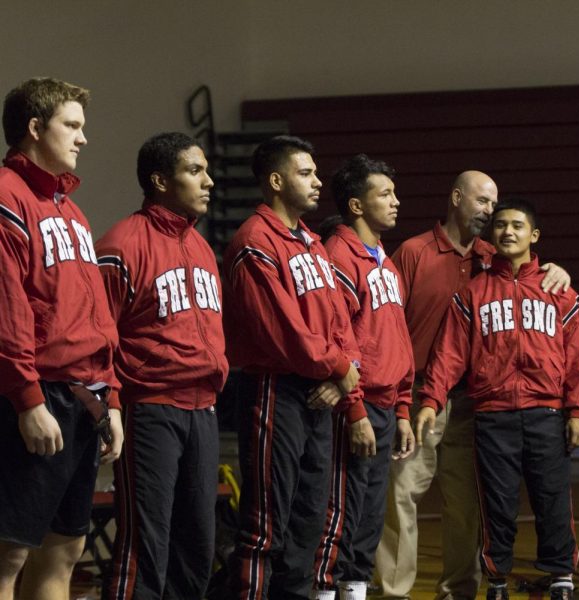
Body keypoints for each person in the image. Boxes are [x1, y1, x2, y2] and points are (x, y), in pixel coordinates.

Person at [375, 172, 570, 600]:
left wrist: (557, 269)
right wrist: (399, 396)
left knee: (466, 505)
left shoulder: (491, 254)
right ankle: (393, 591)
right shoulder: (413, 252)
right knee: (401, 496)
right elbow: (387, 324)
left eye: (495, 204)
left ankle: (458, 591)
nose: (490, 211)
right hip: (418, 393)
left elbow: (528, 276)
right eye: (483, 202)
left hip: (471, 400)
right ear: (457, 198)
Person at [416, 198, 579, 600]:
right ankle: (497, 578)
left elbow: (578, 358)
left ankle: (561, 574)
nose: (507, 232)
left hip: (546, 412)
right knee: (496, 503)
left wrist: (578, 410)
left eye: (516, 225)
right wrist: (430, 399)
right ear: (491, 235)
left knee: (552, 497)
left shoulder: (560, 292)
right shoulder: (473, 293)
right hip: (492, 414)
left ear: (534, 236)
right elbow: (449, 354)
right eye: (499, 226)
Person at [222, 135, 362, 600]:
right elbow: (283, 331)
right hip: (274, 391)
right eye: (306, 173)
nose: (318, 180)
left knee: (308, 519)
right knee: (266, 524)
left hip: (318, 393)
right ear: (277, 180)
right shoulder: (254, 241)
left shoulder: (314, 244)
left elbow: (340, 320)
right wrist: (339, 368)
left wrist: (340, 377)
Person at [0, 77, 123, 600]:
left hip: (82, 398)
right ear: (34, 128)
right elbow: (6, 307)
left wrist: (111, 398)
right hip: (34, 395)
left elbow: (95, 317)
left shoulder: (71, 211)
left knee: (66, 547)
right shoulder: (7, 196)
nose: (83, 138)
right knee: (8, 551)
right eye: (72, 125)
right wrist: (27, 399)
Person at [97, 132, 228, 599]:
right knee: (145, 547)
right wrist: (111, 404)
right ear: (160, 181)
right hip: (150, 409)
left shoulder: (202, 247)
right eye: (195, 171)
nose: (209, 181)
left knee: (198, 545)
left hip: (204, 411)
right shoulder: (121, 244)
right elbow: (100, 338)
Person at [313, 154, 416, 600]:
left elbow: (397, 340)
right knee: (342, 507)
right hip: (356, 405)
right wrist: (354, 408)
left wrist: (405, 406)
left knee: (370, 510)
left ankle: (355, 587)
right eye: (385, 194)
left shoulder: (385, 262)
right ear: (356, 205)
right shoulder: (338, 255)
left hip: (386, 404)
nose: (396, 201)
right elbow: (336, 337)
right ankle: (325, 589)